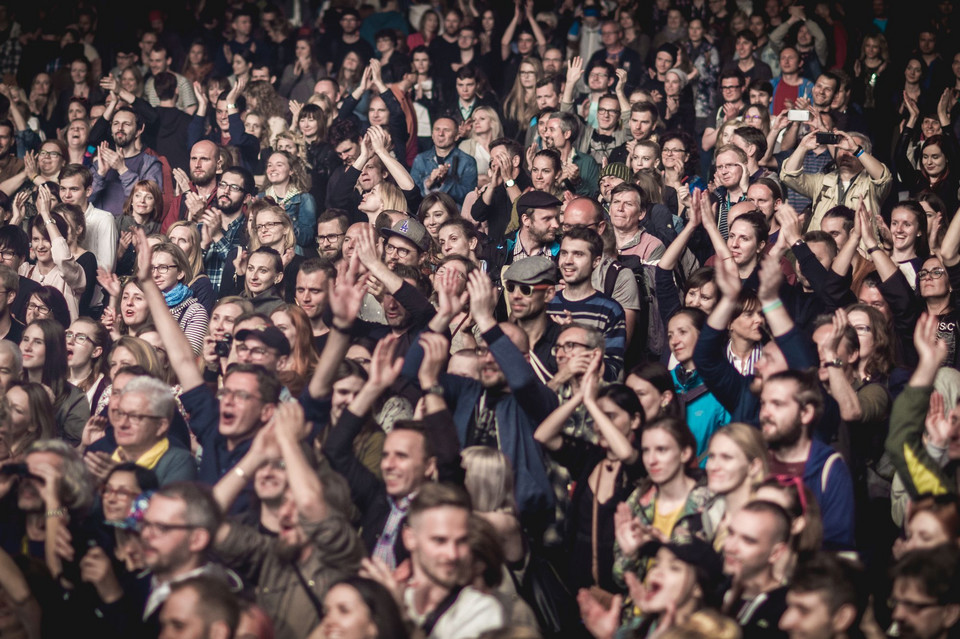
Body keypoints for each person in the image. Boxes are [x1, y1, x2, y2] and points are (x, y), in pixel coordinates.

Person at [410, 116, 478, 206]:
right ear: (432, 135)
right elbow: (411, 195)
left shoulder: (467, 161)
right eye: (437, 129)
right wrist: (428, 182)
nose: (441, 133)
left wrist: (445, 181)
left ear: (457, 136)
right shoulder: (420, 159)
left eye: (446, 130)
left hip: (455, 216)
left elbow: (469, 198)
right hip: (425, 215)